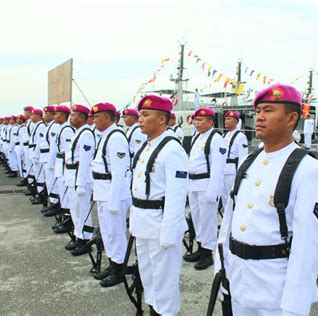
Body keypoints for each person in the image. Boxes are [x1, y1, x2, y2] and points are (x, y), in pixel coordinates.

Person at [216, 83, 318, 315]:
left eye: (268, 110)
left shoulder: (309, 170)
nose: (259, 117)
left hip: (275, 285)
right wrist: (221, 267)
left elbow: (309, 244)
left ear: (291, 119)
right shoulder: (249, 160)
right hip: (238, 276)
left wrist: (295, 305)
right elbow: (229, 219)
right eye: (258, 111)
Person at [130, 95, 188, 315]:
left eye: (145, 115)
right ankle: (155, 309)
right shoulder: (147, 146)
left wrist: (169, 233)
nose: (140, 120)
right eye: (140, 115)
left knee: (165, 280)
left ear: (162, 119)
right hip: (143, 223)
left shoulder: (172, 149)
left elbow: (176, 196)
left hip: (160, 225)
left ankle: (166, 312)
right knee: (148, 275)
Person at [89, 102, 132, 288]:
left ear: (107, 117)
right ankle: (113, 263)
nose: (94, 120)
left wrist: (114, 201)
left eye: (97, 117)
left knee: (116, 232)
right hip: (103, 191)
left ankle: (119, 269)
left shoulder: (116, 138)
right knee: (107, 232)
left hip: (112, 193)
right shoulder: (105, 136)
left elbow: (119, 172)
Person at [184, 107, 227, 270]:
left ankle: (207, 253)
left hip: (206, 184)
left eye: (201, 120)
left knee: (207, 219)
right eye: (195, 120)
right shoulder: (197, 137)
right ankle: (200, 247)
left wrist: (213, 192)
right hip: (194, 183)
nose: (197, 123)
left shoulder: (216, 139)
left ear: (210, 122)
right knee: (196, 218)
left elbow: (218, 168)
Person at [64, 104, 96, 256]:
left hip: (80, 176)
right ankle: (79, 236)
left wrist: (81, 183)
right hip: (72, 175)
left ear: (82, 118)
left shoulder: (86, 135)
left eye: (73, 115)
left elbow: (84, 161)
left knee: (83, 210)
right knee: (74, 208)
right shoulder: (78, 133)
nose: (70, 117)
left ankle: (86, 239)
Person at [221, 110, 248, 208]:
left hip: (232, 171)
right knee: (224, 197)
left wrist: (239, 174)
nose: (226, 121)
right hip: (223, 169)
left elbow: (243, 157)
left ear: (236, 121)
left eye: (229, 119)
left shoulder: (240, 136)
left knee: (232, 197)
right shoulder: (224, 135)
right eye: (225, 119)